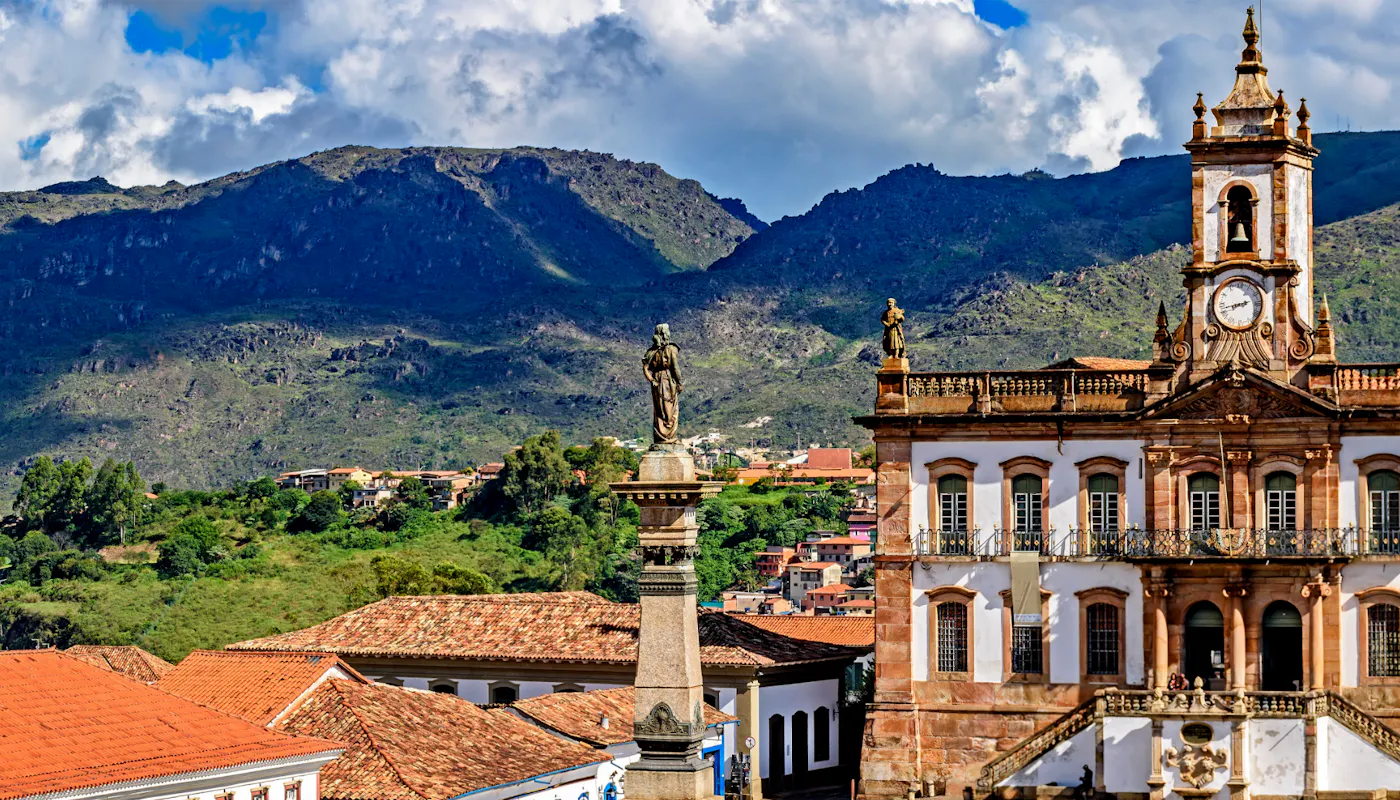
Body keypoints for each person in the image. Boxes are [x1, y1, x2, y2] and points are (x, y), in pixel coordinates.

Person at [643, 323, 682, 446]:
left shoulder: (651, 352)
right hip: (668, 380)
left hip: (656, 381)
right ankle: (669, 435)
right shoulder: (671, 349)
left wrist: (652, 380)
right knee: (669, 407)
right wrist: (679, 382)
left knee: (660, 409)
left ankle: (662, 435)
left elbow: (645, 368)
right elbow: (675, 368)